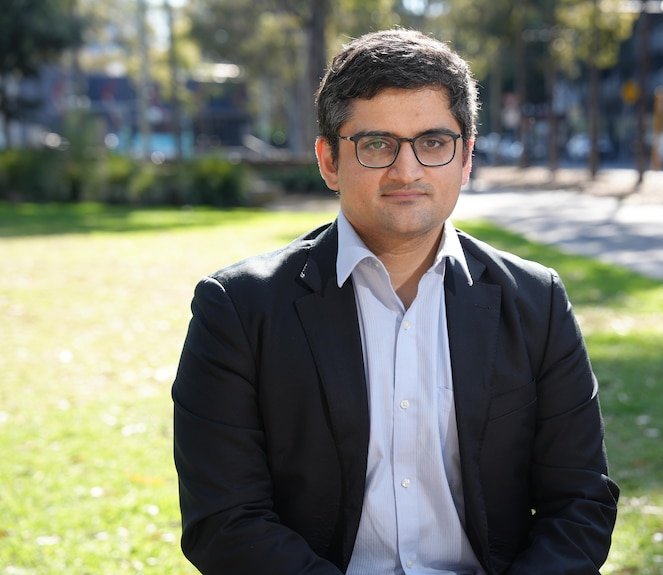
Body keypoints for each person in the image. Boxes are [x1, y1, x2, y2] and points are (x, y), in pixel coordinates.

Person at [172, 28, 619, 575]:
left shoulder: (536, 302)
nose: (407, 171)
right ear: (330, 161)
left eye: (433, 143)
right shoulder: (238, 310)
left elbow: (579, 505)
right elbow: (224, 522)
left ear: (466, 157)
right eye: (376, 145)